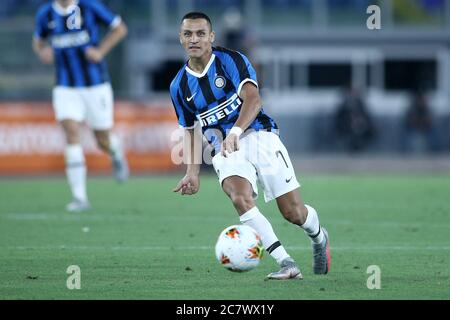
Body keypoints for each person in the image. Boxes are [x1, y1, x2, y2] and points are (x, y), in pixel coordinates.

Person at [170, 12, 331, 280]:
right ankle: (286, 262)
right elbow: (189, 130)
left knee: (293, 213)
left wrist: (235, 131)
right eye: (188, 34)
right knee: (239, 197)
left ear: (211, 36)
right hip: (224, 148)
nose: (194, 39)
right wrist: (192, 172)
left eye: (200, 33)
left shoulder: (231, 60)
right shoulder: (179, 85)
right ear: (180, 38)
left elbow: (253, 100)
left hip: (260, 136)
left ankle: (318, 235)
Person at [32, 0, 129, 212]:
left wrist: (101, 51)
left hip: (96, 85)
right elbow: (38, 41)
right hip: (65, 87)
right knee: (71, 133)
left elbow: (120, 28)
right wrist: (43, 51)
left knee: (101, 139)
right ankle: (79, 198)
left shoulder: (89, 7)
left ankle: (115, 153)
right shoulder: (46, 14)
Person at [334, 86, 375, 152]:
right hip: (346, 126)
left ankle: (359, 147)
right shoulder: (344, 105)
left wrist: (362, 121)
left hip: (361, 126)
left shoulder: (360, 104)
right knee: (354, 130)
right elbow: (340, 119)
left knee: (364, 129)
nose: (354, 94)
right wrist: (351, 122)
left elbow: (366, 116)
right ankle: (354, 147)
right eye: (352, 92)